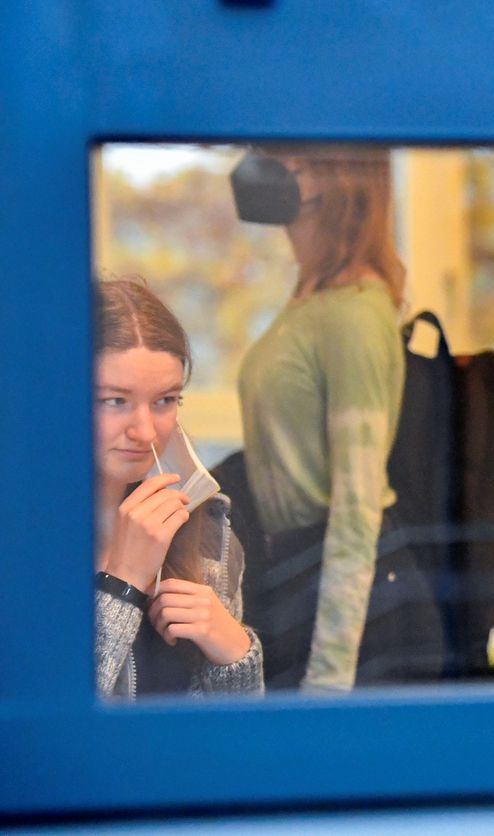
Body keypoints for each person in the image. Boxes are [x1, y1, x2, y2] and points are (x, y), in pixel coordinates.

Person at [233, 147, 442, 692]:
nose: (267, 164)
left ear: (340, 179)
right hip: (301, 572)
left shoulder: (354, 311)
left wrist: (329, 679)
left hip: (351, 596)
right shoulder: (311, 296)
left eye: (292, 158)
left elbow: (357, 505)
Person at [94, 279, 264, 698]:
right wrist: (123, 582)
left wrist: (236, 653)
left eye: (165, 400)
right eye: (115, 401)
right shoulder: (22, 538)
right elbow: (35, 730)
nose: (146, 430)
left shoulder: (203, 527)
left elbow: (236, 743)